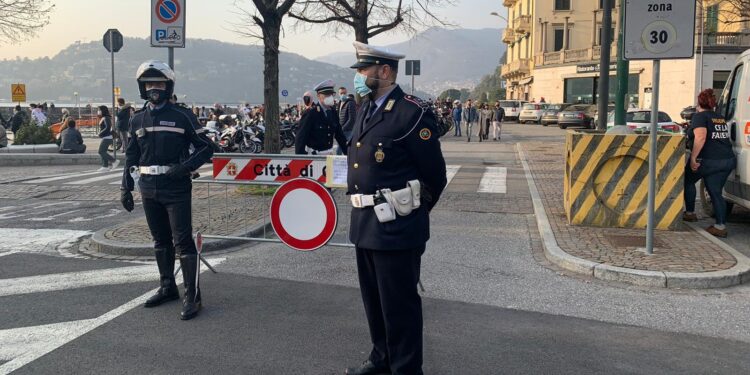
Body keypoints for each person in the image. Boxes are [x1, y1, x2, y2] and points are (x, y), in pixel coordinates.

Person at [345, 41, 447, 375]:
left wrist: (413, 212)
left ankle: (405, 368)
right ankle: (381, 358)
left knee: (399, 306)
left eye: (364, 70)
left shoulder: (411, 112)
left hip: (397, 228)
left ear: (384, 72)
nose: (359, 77)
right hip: (364, 224)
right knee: (374, 302)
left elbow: (435, 175)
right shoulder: (366, 109)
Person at [121, 60, 214, 320]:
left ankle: (192, 295)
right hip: (148, 188)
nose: (154, 88)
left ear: (168, 86)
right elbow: (131, 156)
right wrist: (125, 187)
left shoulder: (182, 116)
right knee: (160, 241)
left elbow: (207, 147)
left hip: (176, 188)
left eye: (159, 83)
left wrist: (184, 168)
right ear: (142, 87)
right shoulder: (137, 118)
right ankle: (167, 287)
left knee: (182, 242)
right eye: (149, 83)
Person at [683, 88, 737, 237]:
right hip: (727, 160)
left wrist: (693, 158)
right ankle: (720, 226)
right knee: (715, 192)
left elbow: (700, 137)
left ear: (699, 103)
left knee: (688, 179)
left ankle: (690, 213)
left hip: (708, 160)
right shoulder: (718, 117)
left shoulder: (700, 116)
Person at [294, 79, 348, 155]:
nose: (329, 97)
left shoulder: (332, 112)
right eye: (326, 95)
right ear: (318, 96)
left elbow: (339, 135)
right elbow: (300, 138)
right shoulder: (311, 113)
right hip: (314, 157)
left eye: (331, 94)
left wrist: (348, 153)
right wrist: (301, 159)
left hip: (329, 154)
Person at [96, 105, 117, 171]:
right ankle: (105, 166)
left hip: (107, 137)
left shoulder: (106, 118)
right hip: (106, 137)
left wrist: (100, 133)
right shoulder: (104, 117)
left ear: (103, 110)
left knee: (101, 151)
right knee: (103, 151)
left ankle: (114, 161)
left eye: (99, 110)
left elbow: (108, 127)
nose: (98, 111)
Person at [338, 86, 357, 155]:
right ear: (338, 94)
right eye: (341, 93)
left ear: (346, 93)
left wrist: (343, 128)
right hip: (341, 130)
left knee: (341, 149)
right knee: (341, 149)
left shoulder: (350, 103)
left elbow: (352, 119)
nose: (342, 95)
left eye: (344, 93)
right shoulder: (340, 103)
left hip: (348, 130)